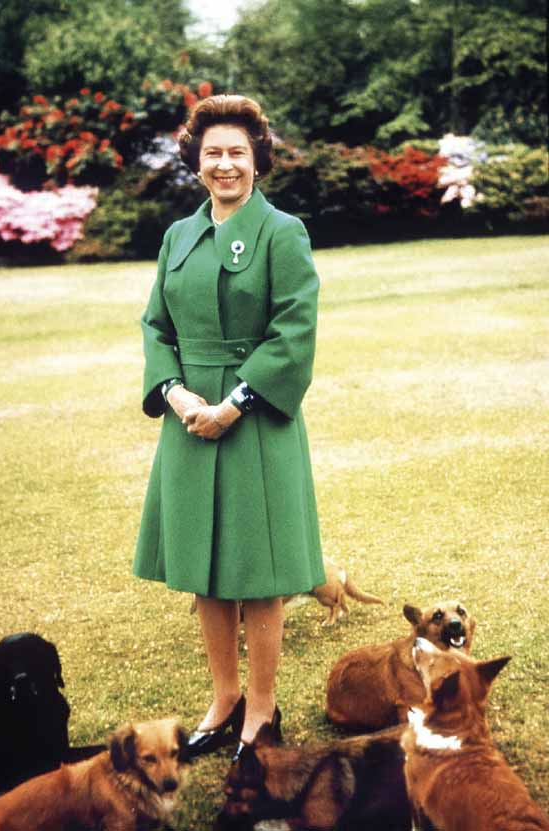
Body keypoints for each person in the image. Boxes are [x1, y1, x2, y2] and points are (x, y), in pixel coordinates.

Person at [133, 94, 325, 759]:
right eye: (213, 152)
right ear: (196, 159)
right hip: (189, 423)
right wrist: (177, 393)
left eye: (237, 152)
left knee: (258, 573)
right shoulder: (176, 237)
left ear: (257, 158)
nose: (225, 165)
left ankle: (262, 712)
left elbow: (294, 332)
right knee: (204, 569)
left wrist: (233, 403)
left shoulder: (283, 232)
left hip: (256, 422)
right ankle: (224, 698)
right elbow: (155, 326)